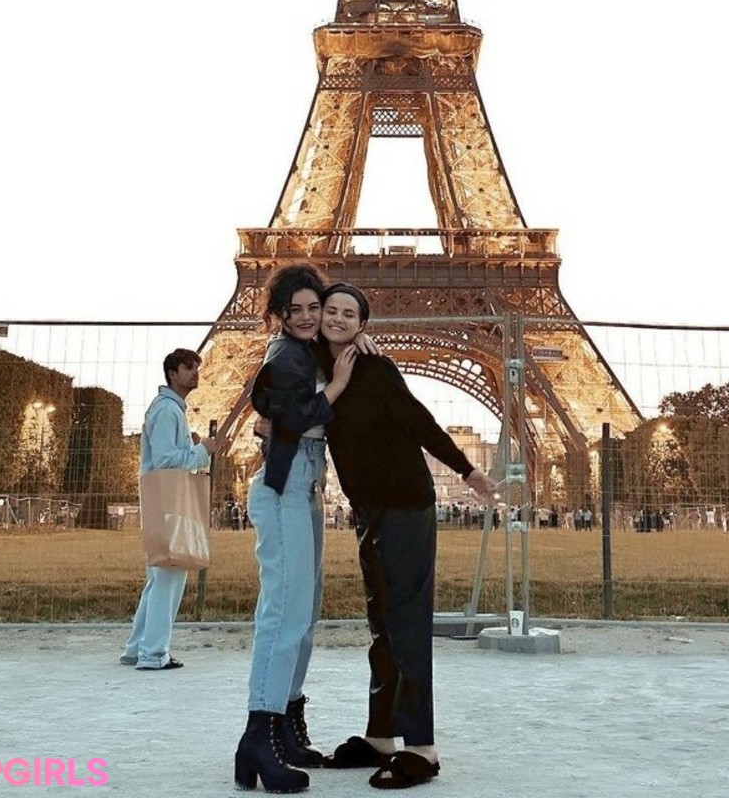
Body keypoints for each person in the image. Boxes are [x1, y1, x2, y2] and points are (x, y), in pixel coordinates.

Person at [317, 282, 496, 790]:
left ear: (363, 324)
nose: (336, 319)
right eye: (330, 310)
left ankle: (422, 747)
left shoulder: (377, 367)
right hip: (368, 508)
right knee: (382, 623)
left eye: (349, 313)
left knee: (407, 623)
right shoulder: (318, 369)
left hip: (404, 504)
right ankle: (381, 736)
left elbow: (420, 420)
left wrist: (467, 471)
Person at [233, 264, 358, 795]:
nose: (308, 317)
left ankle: (282, 724)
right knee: (284, 614)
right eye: (296, 309)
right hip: (283, 489)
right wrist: (339, 387)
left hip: (301, 488)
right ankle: (259, 735)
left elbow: (286, 416)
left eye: (315, 308)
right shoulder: (286, 354)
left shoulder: (307, 352)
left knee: (302, 615)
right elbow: (287, 416)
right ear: (279, 315)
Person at [121, 348, 217, 671]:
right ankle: (153, 653)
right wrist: (202, 451)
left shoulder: (169, 409)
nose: (195, 372)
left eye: (196, 367)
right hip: (168, 499)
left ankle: (137, 648)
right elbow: (165, 461)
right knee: (170, 575)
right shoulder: (167, 411)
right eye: (188, 367)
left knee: (160, 575)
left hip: (161, 499)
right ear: (172, 374)